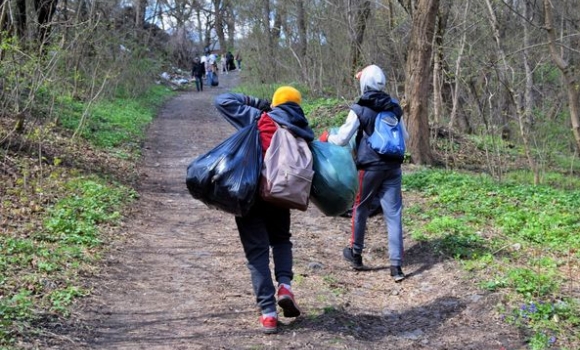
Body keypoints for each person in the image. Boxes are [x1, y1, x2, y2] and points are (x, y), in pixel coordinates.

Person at [214, 86, 314, 334]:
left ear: (275, 103)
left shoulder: (260, 118)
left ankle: (269, 313)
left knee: (256, 252)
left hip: (251, 194)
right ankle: (285, 285)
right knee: (281, 240)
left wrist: (258, 103)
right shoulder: (303, 129)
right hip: (282, 195)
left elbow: (222, 100)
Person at [319, 64, 408, 282]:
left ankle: (356, 254)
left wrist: (326, 138)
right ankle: (396, 267)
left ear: (364, 83)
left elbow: (341, 138)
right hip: (393, 167)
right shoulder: (394, 106)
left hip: (369, 167)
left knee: (360, 207)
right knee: (394, 214)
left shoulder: (360, 107)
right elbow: (406, 137)